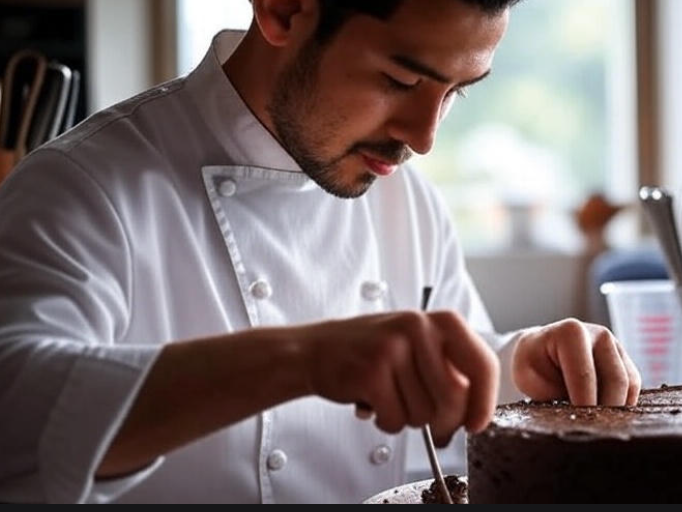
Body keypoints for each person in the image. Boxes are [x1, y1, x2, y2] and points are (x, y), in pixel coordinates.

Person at [0, 0, 641, 504]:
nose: (423, 139)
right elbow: (18, 414)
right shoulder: (82, 186)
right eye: (400, 78)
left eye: (456, 92)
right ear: (281, 8)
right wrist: (308, 357)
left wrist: (517, 366)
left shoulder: (406, 198)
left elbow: (439, 373)